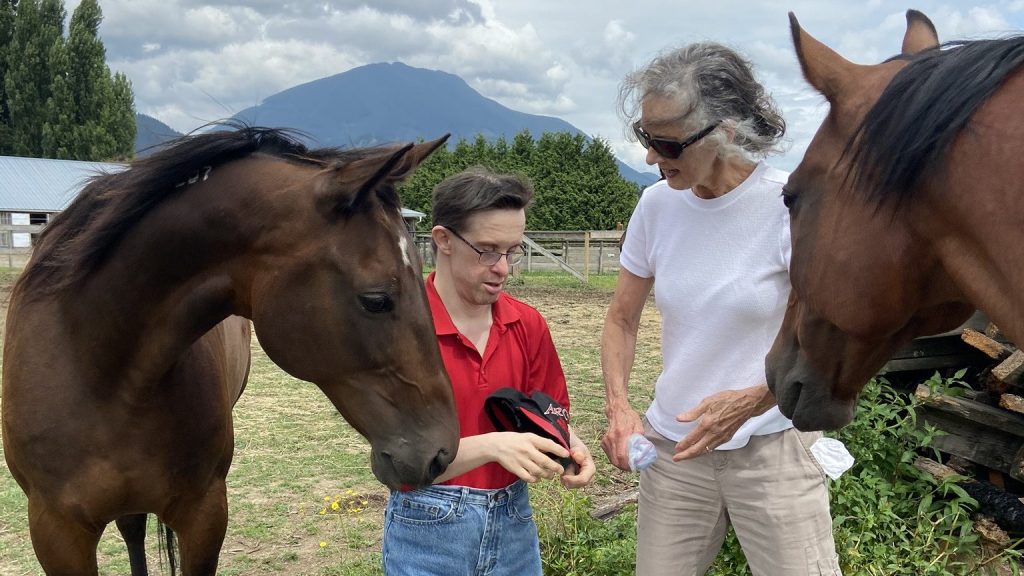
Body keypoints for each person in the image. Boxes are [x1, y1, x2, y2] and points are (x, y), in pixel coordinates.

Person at [600, 43, 842, 575]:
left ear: (726, 130)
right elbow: (621, 318)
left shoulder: (791, 207)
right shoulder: (656, 205)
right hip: (674, 451)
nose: (649, 157)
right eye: (645, 136)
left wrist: (756, 399)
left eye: (665, 142)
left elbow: (824, 338)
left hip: (773, 449)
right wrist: (620, 408)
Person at [382, 167, 596, 576]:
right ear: (443, 240)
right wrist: (494, 446)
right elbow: (398, 465)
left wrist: (569, 444)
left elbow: (547, 414)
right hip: (426, 527)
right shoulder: (400, 332)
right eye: (487, 250)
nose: (503, 268)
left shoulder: (527, 324)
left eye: (512, 251)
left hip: (514, 522)